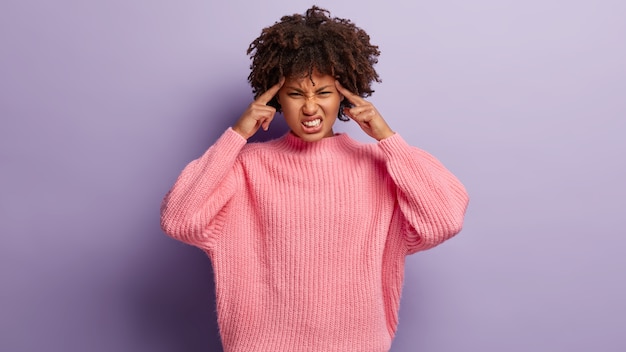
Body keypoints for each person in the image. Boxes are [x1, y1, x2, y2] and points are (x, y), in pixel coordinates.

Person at [160, 6, 469, 352]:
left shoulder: (381, 166)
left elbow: (443, 220)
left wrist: (387, 138)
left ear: (344, 97)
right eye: (295, 94)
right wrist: (236, 135)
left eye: (323, 93)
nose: (310, 108)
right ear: (276, 99)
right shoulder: (246, 167)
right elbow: (179, 220)